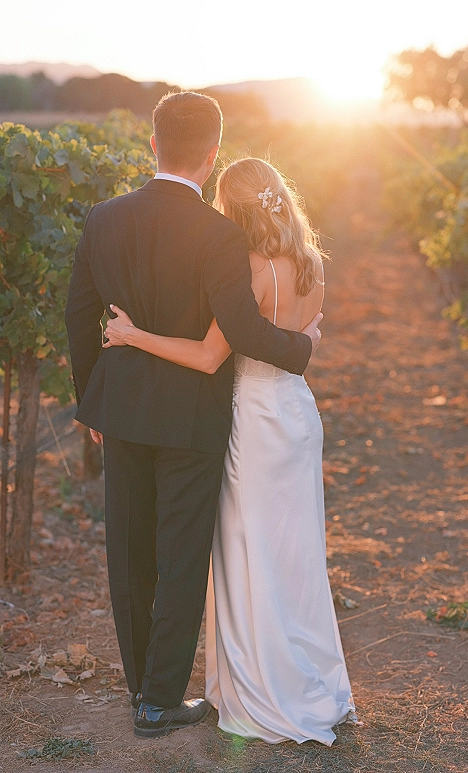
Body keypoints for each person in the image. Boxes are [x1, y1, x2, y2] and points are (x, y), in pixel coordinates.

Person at [65, 92, 321, 739]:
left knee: (127, 551)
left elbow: (77, 315)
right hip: (193, 421)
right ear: (211, 157)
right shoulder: (221, 233)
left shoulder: (103, 217)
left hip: (119, 408)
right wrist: (303, 347)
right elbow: (239, 329)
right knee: (182, 554)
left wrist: (90, 398)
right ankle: (159, 697)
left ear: (152, 146)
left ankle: (139, 691)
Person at [103, 157, 356, 746]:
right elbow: (302, 339)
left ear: (231, 208)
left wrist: (133, 335)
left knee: (249, 555)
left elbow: (207, 356)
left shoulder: (241, 265)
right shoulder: (312, 264)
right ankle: (311, 680)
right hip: (296, 413)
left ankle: (262, 692)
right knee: (297, 557)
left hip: (251, 418)